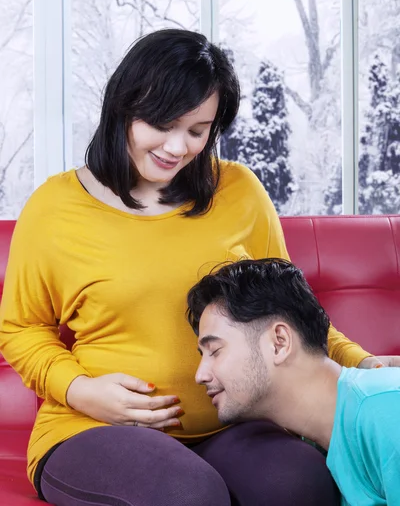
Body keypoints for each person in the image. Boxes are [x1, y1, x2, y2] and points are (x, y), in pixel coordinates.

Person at [0, 29, 393, 506]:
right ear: (123, 108)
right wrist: (80, 391)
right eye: (161, 124)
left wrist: (362, 363)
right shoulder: (55, 207)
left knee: (301, 485)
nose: (176, 146)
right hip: (91, 427)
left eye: (196, 130)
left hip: (229, 428)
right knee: (187, 494)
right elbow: (21, 328)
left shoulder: (239, 191)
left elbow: (286, 310)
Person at [188, 257, 400, 506]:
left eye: (214, 351)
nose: (200, 375)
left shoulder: (385, 409)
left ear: (279, 342)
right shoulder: (320, 445)